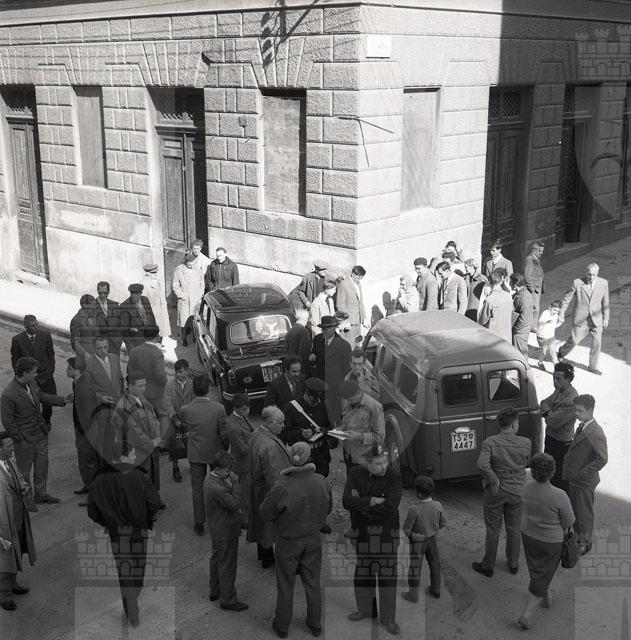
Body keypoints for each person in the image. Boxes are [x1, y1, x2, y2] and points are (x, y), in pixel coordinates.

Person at [261, 442, 332, 638]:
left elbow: (265, 513)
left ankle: (282, 625)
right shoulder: (321, 481)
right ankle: (315, 623)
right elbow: (328, 508)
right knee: (312, 582)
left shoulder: (281, 486)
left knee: (285, 584)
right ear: (309, 458)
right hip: (313, 539)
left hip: (288, 541)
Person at [87, 446, 162, 627]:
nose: (135, 457)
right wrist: (146, 516)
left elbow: (92, 511)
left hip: (116, 533)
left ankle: (132, 613)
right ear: (124, 457)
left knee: (125, 572)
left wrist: (108, 522)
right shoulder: (138, 476)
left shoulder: (98, 481)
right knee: (139, 564)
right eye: (132, 454)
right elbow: (155, 502)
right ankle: (135, 592)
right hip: (139, 529)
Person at [343, 444, 403, 636]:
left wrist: (361, 508)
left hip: (386, 536)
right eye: (378, 463)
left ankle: (388, 619)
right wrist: (371, 501)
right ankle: (365, 610)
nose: (384, 466)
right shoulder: (355, 473)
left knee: (387, 578)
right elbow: (346, 501)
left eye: (385, 461)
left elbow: (390, 506)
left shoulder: (394, 477)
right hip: (362, 535)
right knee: (363, 574)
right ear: (367, 464)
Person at [0, 356, 70, 511]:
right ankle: (26, 501)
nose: (36, 374)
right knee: (24, 471)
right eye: (34, 372)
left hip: (40, 433)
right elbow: (8, 421)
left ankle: (41, 494)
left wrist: (62, 400)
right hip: (24, 439)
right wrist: (19, 439)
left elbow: (42, 397)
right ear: (25, 373)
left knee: (42, 466)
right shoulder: (8, 394)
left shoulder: (31, 383)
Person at [517, 453, 575, 630]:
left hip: (528, 534)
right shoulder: (559, 495)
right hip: (550, 541)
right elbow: (569, 521)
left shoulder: (526, 488)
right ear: (552, 472)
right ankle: (527, 614)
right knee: (543, 572)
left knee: (538, 569)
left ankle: (547, 596)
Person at [473, 408, 531, 578]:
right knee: (514, 529)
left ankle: (488, 565)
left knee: (493, 529)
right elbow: (526, 463)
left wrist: (493, 479)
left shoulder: (490, 442)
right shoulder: (526, 443)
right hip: (517, 491)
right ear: (514, 424)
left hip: (496, 492)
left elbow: (482, 465)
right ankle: (513, 564)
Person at [180, 374, 228, 536]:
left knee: (197, 488)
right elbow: (223, 433)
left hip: (196, 453)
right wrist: (225, 448)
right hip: (215, 452)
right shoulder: (219, 409)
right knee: (219, 486)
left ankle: (199, 522)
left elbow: (185, 424)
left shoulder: (186, 410)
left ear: (193, 390)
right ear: (208, 389)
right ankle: (219, 517)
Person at [562, 395, 608, 555]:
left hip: (584, 481)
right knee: (575, 510)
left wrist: (584, 472)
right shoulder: (582, 426)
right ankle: (578, 537)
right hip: (574, 478)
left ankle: (584, 543)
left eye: (580, 411)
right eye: (576, 410)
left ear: (590, 410)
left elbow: (602, 459)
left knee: (584, 514)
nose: (576, 413)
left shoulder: (596, 433)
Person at [247, 406, 291, 569]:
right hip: (268, 491)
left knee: (261, 525)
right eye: (280, 423)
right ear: (269, 423)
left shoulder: (257, 433)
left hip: (258, 488)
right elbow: (276, 478)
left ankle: (265, 557)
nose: (283, 425)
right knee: (273, 527)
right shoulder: (270, 446)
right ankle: (279, 561)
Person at [205, 451, 248, 612]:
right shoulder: (218, 488)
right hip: (226, 531)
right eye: (228, 470)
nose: (230, 473)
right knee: (228, 566)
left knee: (216, 559)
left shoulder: (209, 479)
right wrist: (235, 485)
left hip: (216, 528)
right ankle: (228, 599)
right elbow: (235, 504)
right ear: (220, 468)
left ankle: (215, 590)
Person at [0, 430, 36, 612]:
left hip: (18, 518)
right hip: (3, 525)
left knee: (18, 551)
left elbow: (21, 480)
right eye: (9, 446)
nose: (12, 449)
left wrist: (25, 488)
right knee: (4, 561)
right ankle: (4, 596)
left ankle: (13, 584)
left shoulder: (10, 462)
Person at [111, 371, 162, 492]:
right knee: (141, 484)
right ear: (130, 386)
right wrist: (152, 443)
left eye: (144, 385)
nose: (144, 389)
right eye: (140, 386)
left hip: (148, 448)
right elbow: (135, 433)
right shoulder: (123, 407)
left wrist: (157, 435)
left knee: (150, 481)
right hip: (138, 453)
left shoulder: (140, 397)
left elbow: (153, 417)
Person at [558, 262, 610, 375]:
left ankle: (593, 367)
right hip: (581, 318)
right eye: (589, 274)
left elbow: (605, 303)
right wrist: (561, 313)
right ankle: (561, 352)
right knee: (575, 340)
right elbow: (566, 299)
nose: (591, 277)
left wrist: (606, 318)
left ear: (597, 274)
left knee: (597, 342)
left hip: (596, 319)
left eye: (593, 275)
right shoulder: (577, 283)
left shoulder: (603, 283)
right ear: (586, 273)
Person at [401, 476, 446, 602]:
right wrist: (433, 530)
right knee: (435, 563)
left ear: (418, 493)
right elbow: (443, 523)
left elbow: (407, 529)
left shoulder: (414, 509)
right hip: (432, 540)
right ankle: (435, 589)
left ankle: (413, 595)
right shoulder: (437, 505)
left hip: (418, 542)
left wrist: (412, 535)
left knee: (415, 567)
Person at [282, 377, 334, 479]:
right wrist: (300, 434)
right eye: (313, 400)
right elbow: (283, 435)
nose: (317, 402)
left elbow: (333, 430)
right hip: (300, 457)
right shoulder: (291, 408)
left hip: (321, 456)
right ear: (306, 393)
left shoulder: (324, 405)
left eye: (318, 399)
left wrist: (323, 431)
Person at [10, 315, 57, 426]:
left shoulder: (45, 335)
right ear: (25, 326)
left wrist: (50, 370)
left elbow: (51, 354)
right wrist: (21, 376)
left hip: (45, 375)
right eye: (32, 326)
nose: (35, 327)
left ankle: (46, 422)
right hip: (29, 377)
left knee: (49, 402)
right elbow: (15, 360)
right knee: (29, 403)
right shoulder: (17, 340)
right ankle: (32, 423)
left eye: (36, 324)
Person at [85, 337, 124, 467]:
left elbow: (120, 379)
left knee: (114, 434)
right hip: (100, 408)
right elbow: (86, 389)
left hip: (116, 405)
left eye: (105, 347)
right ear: (94, 348)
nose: (103, 351)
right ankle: (101, 464)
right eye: (99, 348)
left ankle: (112, 458)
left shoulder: (114, 358)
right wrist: (100, 397)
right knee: (100, 437)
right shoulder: (89, 363)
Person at [540, 362, 578, 491]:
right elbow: (543, 402)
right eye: (553, 378)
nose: (555, 382)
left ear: (568, 379)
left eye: (558, 379)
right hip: (551, 439)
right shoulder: (559, 390)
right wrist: (550, 413)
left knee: (559, 479)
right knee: (548, 473)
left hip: (561, 444)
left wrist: (547, 412)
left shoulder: (572, 399)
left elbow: (553, 422)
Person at [127, 328, 169, 445]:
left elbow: (129, 371)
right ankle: (161, 443)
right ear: (157, 337)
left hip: (139, 392)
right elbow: (160, 375)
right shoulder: (157, 353)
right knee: (163, 416)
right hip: (156, 392)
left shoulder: (134, 351)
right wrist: (164, 384)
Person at [66, 357, 97, 503]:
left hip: (85, 430)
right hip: (82, 428)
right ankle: (88, 485)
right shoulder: (77, 383)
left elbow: (89, 412)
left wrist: (83, 430)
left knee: (87, 462)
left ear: (77, 371)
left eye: (69, 368)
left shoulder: (83, 388)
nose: (66, 370)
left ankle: (93, 494)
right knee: (84, 462)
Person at [310, 316, 351, 422]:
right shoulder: (318, 339)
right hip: (320, 383)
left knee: (334, 414)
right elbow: (315, 352)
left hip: (335, 387)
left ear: (334, 328)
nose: (323, 332)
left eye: (326, 329)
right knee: (321, 413)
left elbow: (347, 370)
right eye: (322, 329)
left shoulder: (344, 346)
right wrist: (313, 354)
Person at [338, 379, 385, 470]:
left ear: (358, 393)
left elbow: (380, 437)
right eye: (347, 400)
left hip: (364, 459)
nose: (348, 402)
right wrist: (341, 428)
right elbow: (346, 421)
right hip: (349, 454)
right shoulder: (347, 401)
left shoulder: (375, 407)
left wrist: (359, 436)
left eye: (350, 399)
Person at [225, 393, 255, 527]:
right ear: (235, 409)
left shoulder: (241, 417)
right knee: (244, 493)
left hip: (247, 462)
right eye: (244, 409)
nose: (247, 411)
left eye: (248, 408)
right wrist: (254, 442)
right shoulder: (233, 426)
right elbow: (242, 449)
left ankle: (246, 515)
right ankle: (244, 519)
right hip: (243, 464)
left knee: (247, 491)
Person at [163, 358, 194, 483]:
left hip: (189, 420)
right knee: (175, 446)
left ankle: (192, 465)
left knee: (190, 444)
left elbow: (195, 402)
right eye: (176, 372)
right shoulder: (170, 385)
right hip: (174, 420)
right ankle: (175, 468)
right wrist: (174, 417)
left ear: (187, 371)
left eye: (180, 372)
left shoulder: (192, 385)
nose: (177, 374)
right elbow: (167, 403)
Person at [172, 253, 204, 346]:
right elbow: (175, 285)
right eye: (189, 262)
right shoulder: (179, 270)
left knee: (195, 319)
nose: (191, 264)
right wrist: (181, 295)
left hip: (195, 299)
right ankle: (183, 338)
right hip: (184, 300)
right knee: (183, 320)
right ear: (185, 262)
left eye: (192, 262)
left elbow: (202, 283)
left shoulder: (198, 269)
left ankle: (195, 336)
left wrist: (200, 294)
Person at [119, 283, 158, 352]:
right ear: (130, 294)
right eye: (133, 294)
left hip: (149, 337)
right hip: (135, 341)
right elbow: (124, 330)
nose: (135, 296)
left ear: (141, 293)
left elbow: (151, 317)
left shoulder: (145, 300)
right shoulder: (124, 306)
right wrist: (130, 347)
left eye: (138, 294)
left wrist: (155, 332)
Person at [335, 265, 367, 346]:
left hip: (357, 320)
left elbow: (360, 302)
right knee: (348, 345)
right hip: (349, 322)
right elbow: (340, 305)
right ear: (352, 274)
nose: (358, 280)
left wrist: (364, 318)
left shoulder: (358, 284)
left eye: (360, 278)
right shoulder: (344, 284)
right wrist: (345, 321)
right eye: (358, 278)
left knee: (356, 344)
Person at [478, 268, 513, 343]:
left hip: (494, 337)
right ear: (501, 281)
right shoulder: (508, 296)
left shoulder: (489, 300)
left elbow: (482, 320)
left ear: (490, 283)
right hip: (507, 336)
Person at [141, 263, 171, 343]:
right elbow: (143, 301)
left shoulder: (157, 281)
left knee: (161, 329)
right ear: (147, 273)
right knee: (154, 331)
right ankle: (156, 345)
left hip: (160, 309)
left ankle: (159, 343)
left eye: (156, 272)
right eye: (153, 273)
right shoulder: (144, 284)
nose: (155, 274)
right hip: (152, 311)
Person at [93, 281, 123, 357]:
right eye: (100, 293)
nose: (102, 295)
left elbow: (121, 324)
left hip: (115, 346)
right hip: (99, 347)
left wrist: (119, 339)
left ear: (109, 292)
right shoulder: (91, 306)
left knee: (115, 364)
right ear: (97, 291)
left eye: (105, 293)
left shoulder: (115, 305)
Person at [69, 294, 98, 367]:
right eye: (92, 304)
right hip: (84, 360)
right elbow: (75, 342)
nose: (95, 307)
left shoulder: (94, 317)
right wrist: (85, 354)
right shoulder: (77, 320)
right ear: (85, 305)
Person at [510, 273, 533, 356]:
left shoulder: (523, 297)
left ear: (515, 284)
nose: (509, 284)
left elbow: (524, 316)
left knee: (520, 354)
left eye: (510, 282)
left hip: (520, 330)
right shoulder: (522, 293)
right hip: (522, 328)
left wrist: (516, 329)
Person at [523, 241, 545, 329]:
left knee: (535, 307)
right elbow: (527, 277)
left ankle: (533, 326)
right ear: (534, 250)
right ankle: (532, 327)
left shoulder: (535, 258)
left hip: (537, 287)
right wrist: (533, 289)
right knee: (534, 308)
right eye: (540, 251)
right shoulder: (530, 259)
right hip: (534, 288)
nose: (542, 253)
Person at [536, 300, 563, 369]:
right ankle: (540, 362)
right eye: (554, 310)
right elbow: (540, 321)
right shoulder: (545, 313)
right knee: (543, 352)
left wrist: (559, 323)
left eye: (557, 311)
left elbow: (553, 326)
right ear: (550, 307)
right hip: (542, 336)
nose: (555, 312)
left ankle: (557, 367)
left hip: (551, 336)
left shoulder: (556, 315)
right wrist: (547, 320)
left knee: (553, 352)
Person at [285, 309, 312, 373]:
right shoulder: (304, 331)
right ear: (305, 319)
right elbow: (304, 352)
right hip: (300, 367)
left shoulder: (290, 331)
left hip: (291, 365)